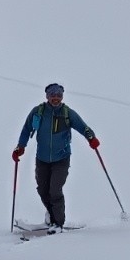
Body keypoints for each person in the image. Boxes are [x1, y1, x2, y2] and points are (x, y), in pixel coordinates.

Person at [13, 83, 98, 229]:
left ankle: (58, 223)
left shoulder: (67, 113)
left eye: (59, 95)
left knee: (55, 191)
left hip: (61, 159)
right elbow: (26, 129)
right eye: (53, 95)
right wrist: (21, 146)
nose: (56, 98)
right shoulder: (38, 112)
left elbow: (83, 127)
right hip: (42, 158)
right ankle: (52, 217)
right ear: (47, 96)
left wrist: (91, 138)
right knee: (42, 190)